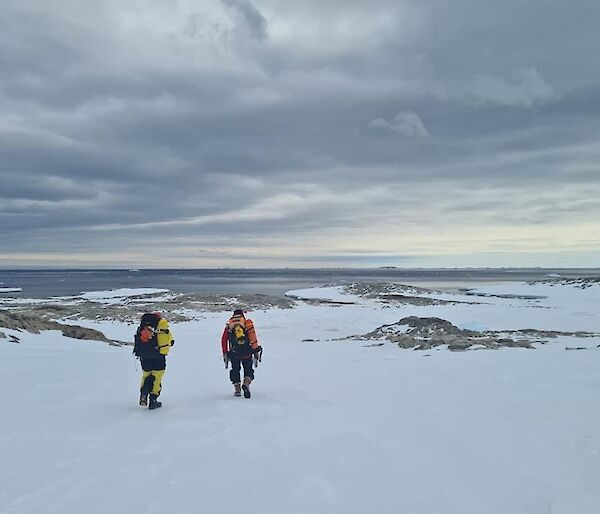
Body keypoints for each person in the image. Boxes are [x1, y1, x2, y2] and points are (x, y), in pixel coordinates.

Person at [133, 312, 174, 409]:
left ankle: (143, 394)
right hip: (159, 356)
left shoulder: (142, 327)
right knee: (157, 377)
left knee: (146, 375)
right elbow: (171, 341)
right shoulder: (162, 328)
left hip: (144, 356)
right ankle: (153, 400)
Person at [221, 309, 262, 398]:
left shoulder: (229, 325)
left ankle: (237, 389)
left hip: (234, 353)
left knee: (235, 370)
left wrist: (225, 352)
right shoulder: (247, 323)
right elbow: (253, 336)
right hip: (247, 352)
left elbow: (224, 339)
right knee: (248, 371)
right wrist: (255, 351)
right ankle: (246, 384)